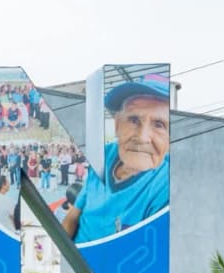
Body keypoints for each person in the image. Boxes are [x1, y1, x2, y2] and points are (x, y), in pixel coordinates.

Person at [62, 74, 170, 243]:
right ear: (117, 124)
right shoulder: (102, 156)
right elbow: (73, 215)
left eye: (159, 124)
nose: (142, 138)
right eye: (134, 120)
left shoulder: (166, 187)